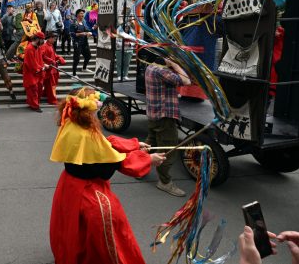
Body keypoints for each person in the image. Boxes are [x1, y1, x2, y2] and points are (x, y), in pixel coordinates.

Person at [49, 87, 165, 264]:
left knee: (73, 227)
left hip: (69, 185)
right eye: (95, 105)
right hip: (88, 191)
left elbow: (106, 146)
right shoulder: (87, 135)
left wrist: (134, 145)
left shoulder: (72, 123)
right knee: (110, 224)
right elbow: (112, 163)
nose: (98, 107)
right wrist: (148, 160)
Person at [144, 56, 191, 197]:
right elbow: (186, 81)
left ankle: (138, 167)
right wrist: (175, 65)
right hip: (165, 115)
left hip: (153, 113)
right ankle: (164, 182)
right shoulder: (162, 71)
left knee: (149, 143)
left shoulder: (150, 67)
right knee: (168, 150)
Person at [23, 32, 47, 113]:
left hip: (38, 72)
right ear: (37, 39)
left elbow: (40, 60)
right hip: (31, 73)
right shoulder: (29, 49)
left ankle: (34, 103)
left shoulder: (38, 47)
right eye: (42, 39)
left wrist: (43, 65)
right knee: (33, 89)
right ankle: (34, 106)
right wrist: (42, 68)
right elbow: (31, 64)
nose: (43, 41)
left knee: (38, 88)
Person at [40, 32, 66, 105]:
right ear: (50, 38)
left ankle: (45, 94)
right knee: (52, 85)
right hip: (49, 69)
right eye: (54, 38)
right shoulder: (44, 46)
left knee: (49, 84)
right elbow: (41, 57)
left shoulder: (50, 45)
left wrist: (59, 57)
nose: (55, 40)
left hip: (53, 68)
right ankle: (52, 99)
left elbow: (53, 55)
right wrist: (51, 61)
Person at [70, 9, 93, 76]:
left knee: (88, 56)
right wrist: (82, 33)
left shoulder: (84, 22)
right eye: (81, 13)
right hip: (77, 43)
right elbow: (72, 34)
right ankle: (74, 74)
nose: (82, 15)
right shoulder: (73, 23)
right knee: (76, 59)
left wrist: (89, 32)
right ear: (77, 15)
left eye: (83, 13)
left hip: (85, 43)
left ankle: (84, 68)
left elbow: (88, 30)